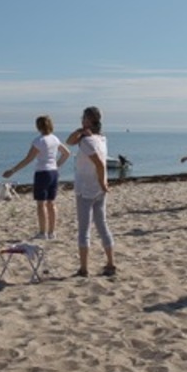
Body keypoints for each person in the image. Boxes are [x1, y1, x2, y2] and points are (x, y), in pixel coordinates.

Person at [66, 106, 116, 277]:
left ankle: (84, 268)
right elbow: (69, 141)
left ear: (90, 120)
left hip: (87, 188)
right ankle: (110, 263)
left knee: (84, 229)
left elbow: (100, 164)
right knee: (102, 225)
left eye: (84, 118)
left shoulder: (87, 142)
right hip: (97, 190)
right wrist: (80, 130)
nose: (81, 119)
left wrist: (102, 183)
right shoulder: (101, 139)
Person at [3, 115, 71, 239]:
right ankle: (52, 232)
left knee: (41, 204)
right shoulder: (54, 139)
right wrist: (57, 165)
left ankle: (42, 232)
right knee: (51, 203)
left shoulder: (39, 141)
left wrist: (12, 170)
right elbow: (67, 153)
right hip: (53, 173)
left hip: (42, 173)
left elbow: (28, 159)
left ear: (38, 126)